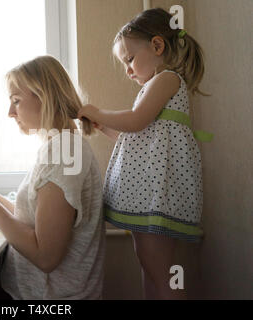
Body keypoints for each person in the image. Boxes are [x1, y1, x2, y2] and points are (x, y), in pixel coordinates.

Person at [78, 8, 210, 300]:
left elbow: (136, 120)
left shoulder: (166, 80)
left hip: (157, 195)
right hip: (149, 195)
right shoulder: (156, 85)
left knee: (159, 268)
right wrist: (103, 125)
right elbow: (135, 138)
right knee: (150, 266)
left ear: (157, 45)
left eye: (129, 59)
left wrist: (99, 112)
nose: (127, 70)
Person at [0, 55, 106, 300]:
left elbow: (46, 256)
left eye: (16, 101)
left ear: (45, 96)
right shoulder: (62, 146)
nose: (10, 112)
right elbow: (37, 221)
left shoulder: (63, 152)